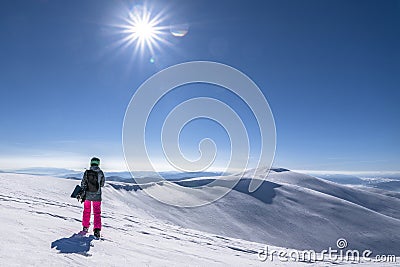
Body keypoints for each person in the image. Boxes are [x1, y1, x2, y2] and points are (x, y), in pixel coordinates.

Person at [78, 157, 105, 238]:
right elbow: (102, 184)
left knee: (86, 211)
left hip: (87, 196)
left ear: (91, 163)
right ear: (98, 164)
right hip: (97, 196)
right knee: (97, 213)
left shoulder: (87, 172)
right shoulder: (100, 173)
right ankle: (97, 230)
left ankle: (85, 227)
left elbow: (83, 183)